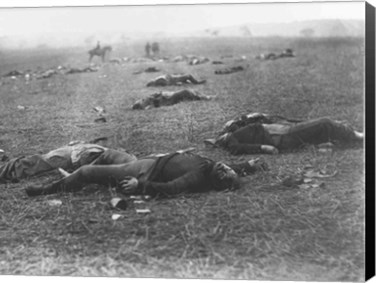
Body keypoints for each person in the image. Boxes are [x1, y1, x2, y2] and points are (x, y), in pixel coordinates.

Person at [25, 151, 267, 198]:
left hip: (144, 170)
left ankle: (47, 190)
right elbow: (231, 167)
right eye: (228, 169)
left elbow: (172, 188)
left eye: (224, 175)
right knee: (110, 153)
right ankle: (78, 177)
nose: (225, 169)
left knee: (88, 171)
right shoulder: (215, 167)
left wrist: (140, 187)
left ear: (216, 183)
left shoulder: (200, 176)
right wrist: (249, 165)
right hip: (148, 159)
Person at [0, 142, 137, 187]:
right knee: (26, 162)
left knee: (25, 163)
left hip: (69, 157)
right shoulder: (125, 161)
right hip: (73, 154)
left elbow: (91, 170)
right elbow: (94, 167)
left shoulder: (125, 163)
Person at [205, 113, 364, 155]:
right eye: (218, 140)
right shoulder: (232, 142)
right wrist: (263, 147)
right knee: (324, 122)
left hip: (279, 131)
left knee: (317, 129)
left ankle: (347, 137)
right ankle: (357, 136)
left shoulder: (233, 132)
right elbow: (237, 149)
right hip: (280, 136)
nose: (221, 136)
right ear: (220, 143)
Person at [132, 89, 212, 110]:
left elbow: (158, 94)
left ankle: (204, 96)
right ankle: (204, 97)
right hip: (169, 100)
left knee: (189, 92)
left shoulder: (149, 100)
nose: (142, 100)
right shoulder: (150, 104)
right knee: (186, 92)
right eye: (141, 102)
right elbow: (160, 102)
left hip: (169, 96)